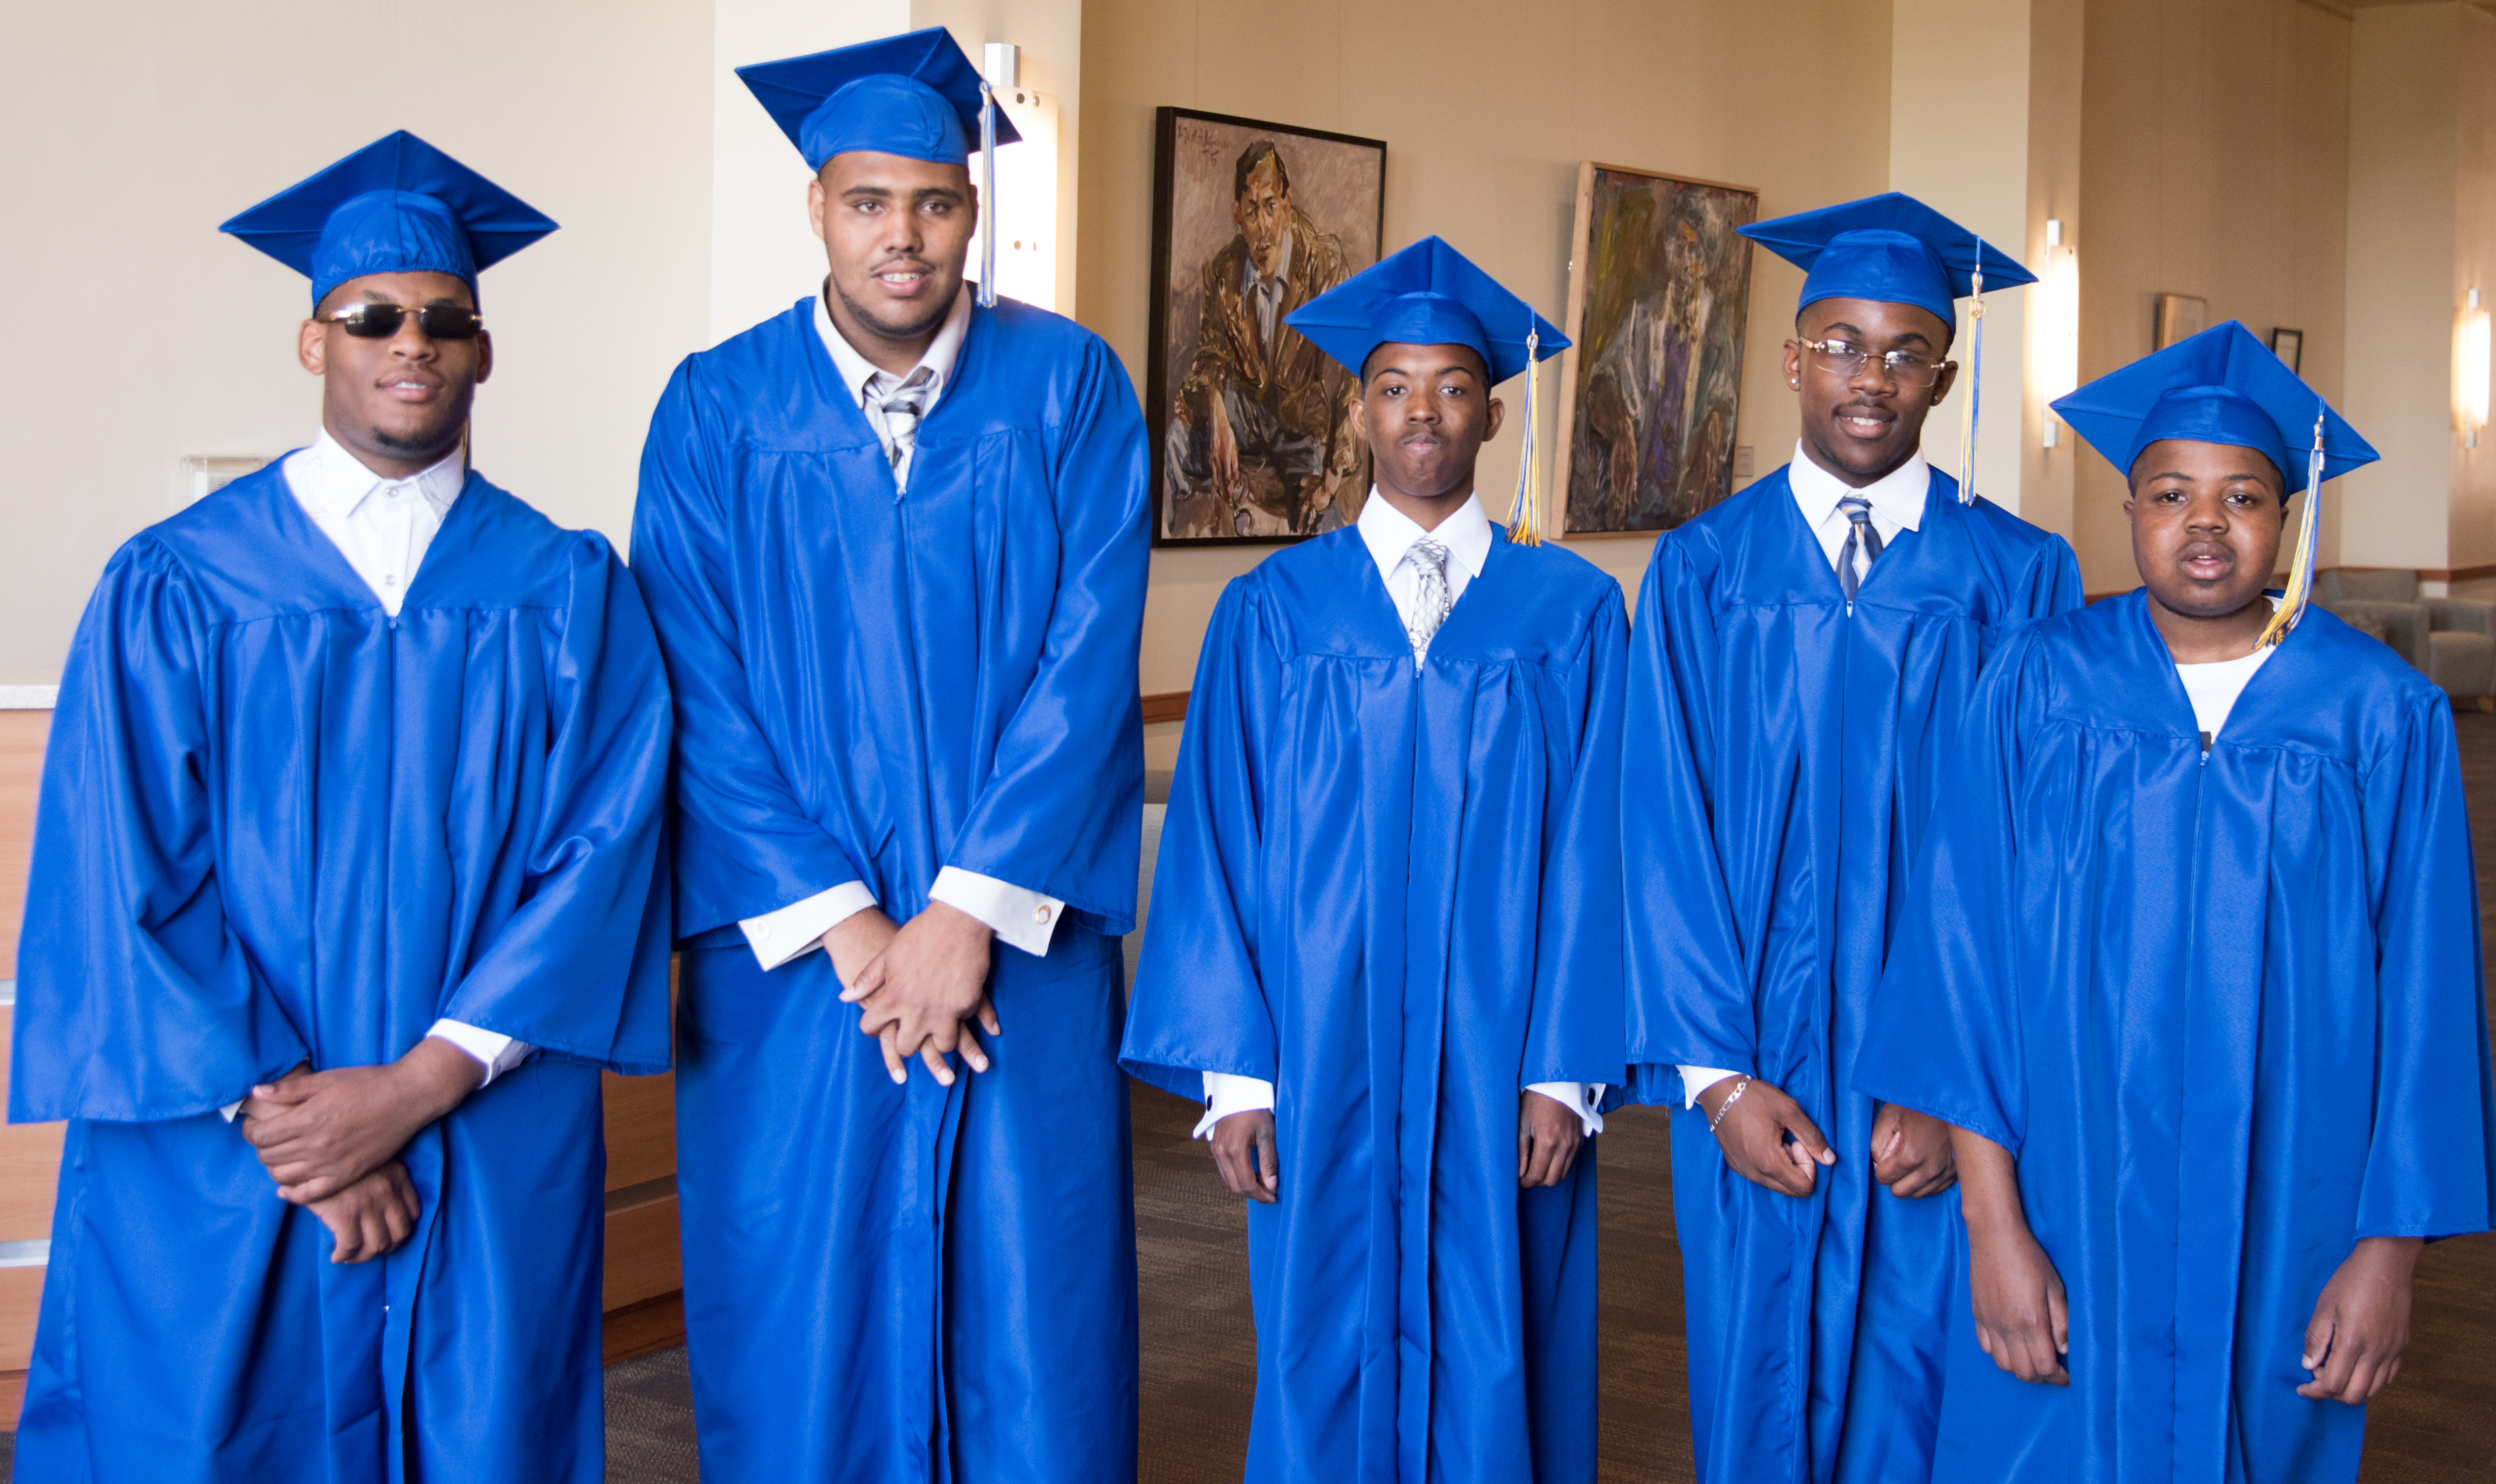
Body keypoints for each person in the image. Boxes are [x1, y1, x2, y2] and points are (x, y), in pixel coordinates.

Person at [8, 130, 675, 1482]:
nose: (409, 342)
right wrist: (303, 1127)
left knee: (481, 1428)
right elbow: (121, 869)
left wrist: (416, 1087)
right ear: (313, 342)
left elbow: (600, 860)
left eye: (444, 320)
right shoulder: (179, 583)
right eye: (371, 317)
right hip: (228, 1141)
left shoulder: (565, 586)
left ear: (483, 352)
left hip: (480, 1121)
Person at [631, 28, 1149, 1484]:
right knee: (798, 1307)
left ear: (972, 207)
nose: (902, 235)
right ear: (817, 207)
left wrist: (966, 910)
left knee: (1031, 1309)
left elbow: (1088, 659)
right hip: (801, 966)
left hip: (1013, 952)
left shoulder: (1068, 390)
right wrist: (858, 927)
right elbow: (697, 684)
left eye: (932, 199)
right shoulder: (716, 408)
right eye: (869, 202)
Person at [1855, 320, 2496, 1484]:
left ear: (2285, 518)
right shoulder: (2032, 686)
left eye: (2240, 494)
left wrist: (2386, 1257)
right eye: (2167, 492)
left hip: (2288, 1217)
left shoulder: (2378, 717)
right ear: (2128, 513)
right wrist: (1989, 1229)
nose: (2203, 525)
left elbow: (2427, 1006)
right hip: (2057, 1197)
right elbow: (1963, 958)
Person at [1124, 235, 1624, 1483]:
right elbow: (1214, 845)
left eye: (1450, 385)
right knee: (1315, 1335)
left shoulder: (1565, 616)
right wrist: (1234, 1076)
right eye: (1393, 384)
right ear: (1355, 406)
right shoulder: (1271, 613)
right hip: (1316, 1057)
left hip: (1501, 1062)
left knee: (1504, 1331)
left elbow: (1602, 851)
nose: (1421, 411)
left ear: (1490, 410)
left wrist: (1565, 1073)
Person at [1622, 192, 2083, 1484]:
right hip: (1753, 1068)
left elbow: (2032, 865)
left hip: (1940, 1091)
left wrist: (1961, 1096)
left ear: (1940, 374)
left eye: (1897, 352)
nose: (1864, 377)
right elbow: (1659, 830)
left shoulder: (2017, 578)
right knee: (1753, 1386)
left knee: (1934, 1393)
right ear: (1788, 358)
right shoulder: (1699, 570)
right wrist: (1709, 1078)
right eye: (1835, 344)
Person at [1165, 138, 1365, 537]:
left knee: (1326, 533)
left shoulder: (1324, 267)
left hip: (1299, 425)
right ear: (1238, 216)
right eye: (1252, 212)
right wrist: (1217, 412)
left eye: (1271, 207)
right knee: (1176, 442)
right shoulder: (1223, 269)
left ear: (1288, 207)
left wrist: (1331, 481)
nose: (1263, 229)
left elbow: (1349, 373)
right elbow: (1211, 353)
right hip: (1243, 412)